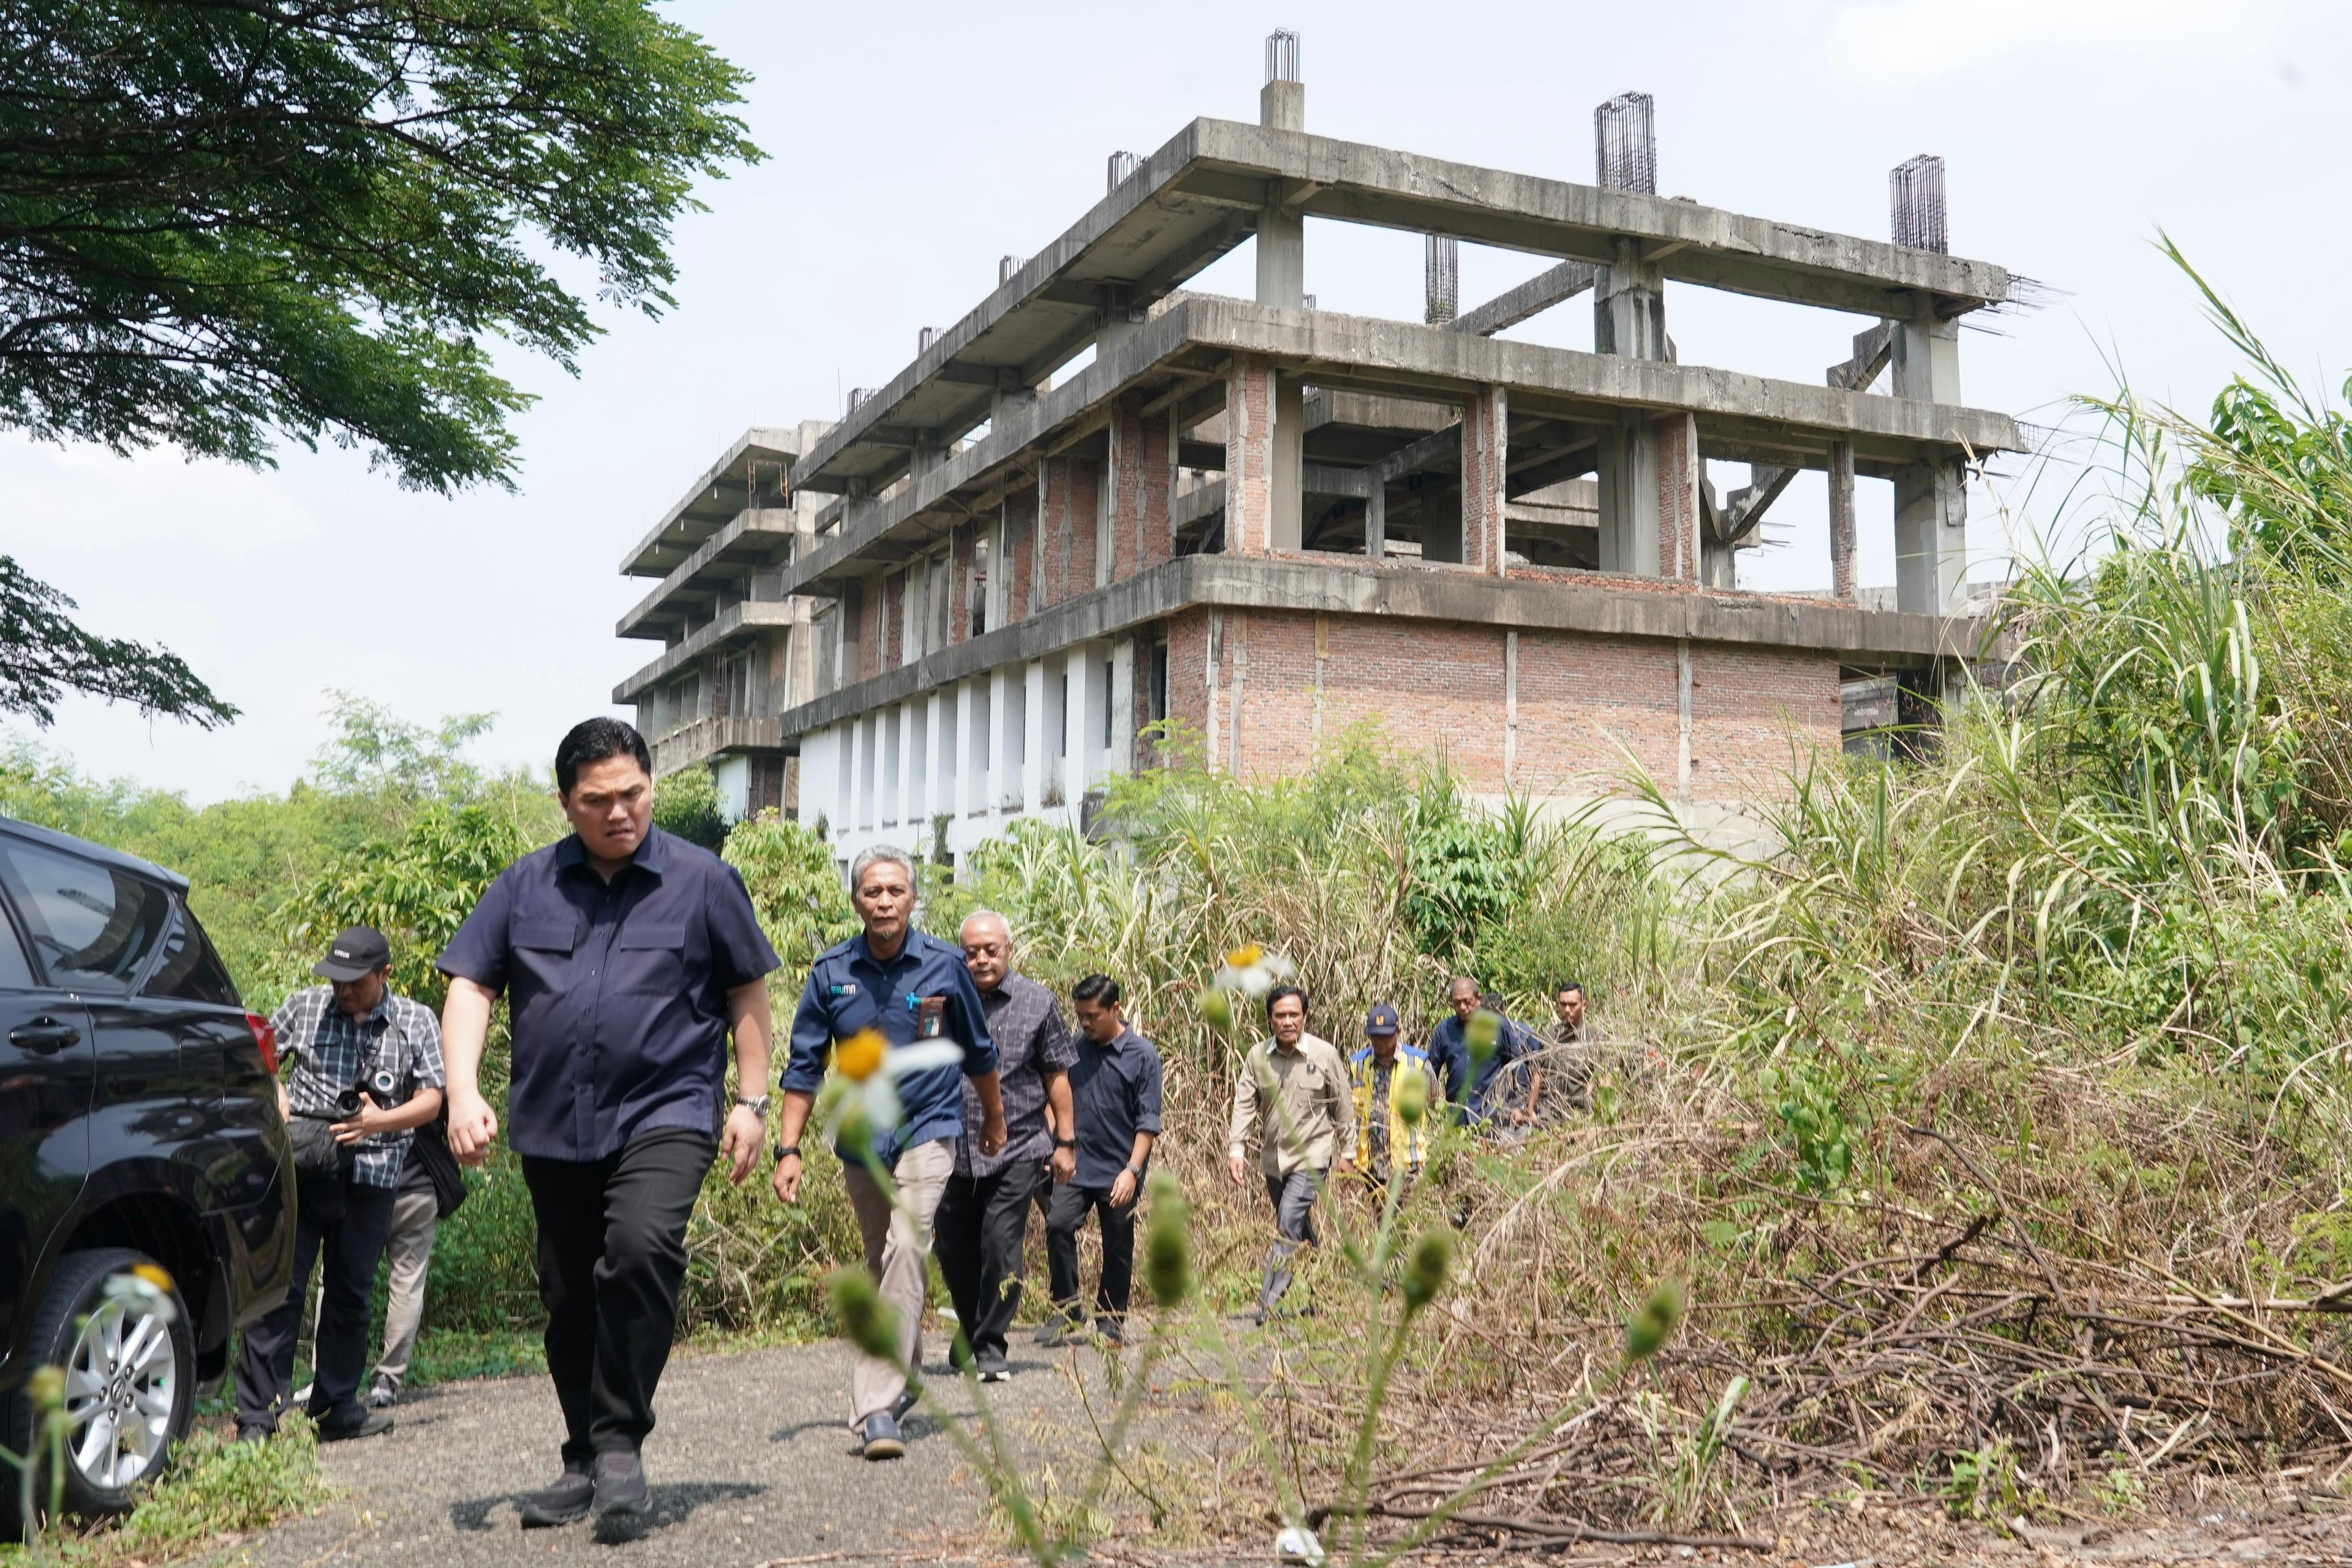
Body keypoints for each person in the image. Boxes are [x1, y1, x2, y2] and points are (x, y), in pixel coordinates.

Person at [439, 718, 779, 1527]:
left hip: (668, 1109)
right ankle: (584, 1456)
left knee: (639, 1249)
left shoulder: (703, 882)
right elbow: (470, 987)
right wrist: (461, 1092)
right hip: (555, 1124)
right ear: (566, 804)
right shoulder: (523, 888)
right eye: (598, 801)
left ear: (650, 786)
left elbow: (746, 996)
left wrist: (752, 1102)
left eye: (632, 793)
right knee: (568, 1294)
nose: (619, 812)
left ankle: (621, 1440)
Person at [773, 845, 1006, 1461]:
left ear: (912, 898)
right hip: (861, 1138)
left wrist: (996, 1121)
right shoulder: (830, 972)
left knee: (908, 1243)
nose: (884, 902)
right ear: (856, 901)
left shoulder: (944, 966)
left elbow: (979, 1052)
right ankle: (906, 1373)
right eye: (873, 892)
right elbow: (802, 1067)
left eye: (895, 891)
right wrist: (787, 1148)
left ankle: (876, 1405)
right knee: (882, 1261)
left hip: (930, 1126)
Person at [235, 925, 443, 1444]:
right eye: (337, 980)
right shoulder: (306, 1007)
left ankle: (336, 1407)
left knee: (351, 1293)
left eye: (356, 982)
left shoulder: (415, 1021)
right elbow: (251, 1052)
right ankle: (257, 1420)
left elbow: (434, 1098)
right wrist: (275, 1091)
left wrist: (379, 1122)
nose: (343, 991)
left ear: (385, 975)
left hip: (372, 1177)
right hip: (304, 1173)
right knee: (280, 1291)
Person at [937, 910, 1076, 1382]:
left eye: (990, 950)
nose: (980, 959)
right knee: (953, 1249)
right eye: (971, 952)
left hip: (1018, 1146)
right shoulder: (940, 1001)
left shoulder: (1038, 1002)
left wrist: (1065, 1143)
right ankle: (973, 1327)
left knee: (1000, 1247)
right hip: (949, 1145)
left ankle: (990, 1347)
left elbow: (1057, 1075)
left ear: (1008, 950)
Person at [1042, 976, 1162, 1346]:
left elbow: (1148, 1121)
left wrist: (1133, 1171)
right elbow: (1055, 1099)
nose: (1086, 1024)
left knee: (1117, 1245)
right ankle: (1067, 1308)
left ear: (1115, 1008)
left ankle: (1110, 1319)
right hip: (1076, 1167)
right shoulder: (1074, 1049)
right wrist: (1053, 1146)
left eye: (1093, 1016)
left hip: (1119, 1171)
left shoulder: (1142, 1055)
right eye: (1080, 1016)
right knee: (1058, 1226)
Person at [1226, 986, 1353, 1321]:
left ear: (1305, 1017)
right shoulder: (1257, 1057)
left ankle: (1270, 1299)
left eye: (1293, 1015)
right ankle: (1323, 1288)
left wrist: (1348, 1151)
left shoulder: (1324, 1055)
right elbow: (1244, 1104)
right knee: (1299, 1228)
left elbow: (1343, 1106)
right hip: (1274, 1160)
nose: (1287, 1021)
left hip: (1313, 1155)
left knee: (1286, 1223)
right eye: (1280, 1015)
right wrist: (1236, 1148)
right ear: (1270, 1019)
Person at [367, 1099, 459, 1408]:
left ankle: (326, 1378)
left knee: (338, 1281)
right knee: (408, 1284)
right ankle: (387, 1379)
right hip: (419, 1187)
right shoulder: (429, 1055)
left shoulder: (356, 1052)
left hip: (365, 1186)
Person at [1349, 1003, 1437, 1199]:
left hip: (1408, 1163)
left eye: (1386, 1036)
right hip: (1370, 1165)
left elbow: (1434, 1101)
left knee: (1403, 1222)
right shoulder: (1358, 1065)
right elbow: (1351, 1112)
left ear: (1398, 1031)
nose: (1380, 1041)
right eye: (1375, 1036)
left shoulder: (1418, 1062)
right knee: (1380, 1222)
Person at [1422, 976, 1481, 1118]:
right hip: (1456, 1115)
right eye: (1456, 1003)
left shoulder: (1496, 1026)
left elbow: (1514, 1067)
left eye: (1467, 1001)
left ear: (1479, 999)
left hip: (1490, 1114)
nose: (1462, 1007)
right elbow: (1430, 1071)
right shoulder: (1445, 1029)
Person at [1546, 981, 1594, 1112]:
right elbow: (1538, 1073)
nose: (1567, 1010)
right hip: (1550, 1112)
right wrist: (1530, 1111)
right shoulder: (1549, 1036)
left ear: (1584, 1006)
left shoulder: (1595, 1039)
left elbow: (1606, 1080)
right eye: (1563, 1004)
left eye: (1572, 1005)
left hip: (1581, 1114)